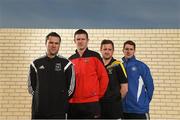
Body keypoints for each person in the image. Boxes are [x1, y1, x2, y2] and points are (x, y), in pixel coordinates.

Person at [27, 32, 75, 119]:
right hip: (39, 111)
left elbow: (71, 88)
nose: (54, 45)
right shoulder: (35, 63)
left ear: (59, 45)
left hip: (59, 112)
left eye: (56, 43)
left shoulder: (67, 64)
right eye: (51, 43)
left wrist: (60, 98)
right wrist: (41, 97)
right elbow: (31, 88)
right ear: (46, 43)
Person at [68, 29, 109, 119]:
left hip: (92, 103)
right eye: (78, 39)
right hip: (73, 103)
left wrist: (98, 95)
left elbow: (104, 77)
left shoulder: (95, 56)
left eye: (83, 39)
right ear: (74, 41)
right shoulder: (70, 59)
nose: (80, 41)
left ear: (87, 41)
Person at [122, 40, 154, 119]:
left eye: (131, 49)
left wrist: (143, 102)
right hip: (123, 110)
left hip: (139, 110)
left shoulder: (141, 66)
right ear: (123, 50)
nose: (128, 51)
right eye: (126, 49)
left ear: (134, 51)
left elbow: (150, 86)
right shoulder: (120, 66)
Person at [100, 39, 128, 119]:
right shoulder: (97, 65)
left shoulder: (118, 65)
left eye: (109, 49)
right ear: (100, 50)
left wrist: (115, 101)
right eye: (105, 49)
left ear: (113, 51)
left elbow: (125, 88)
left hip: (114, 108)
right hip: (99, 106)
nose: (107, 51)